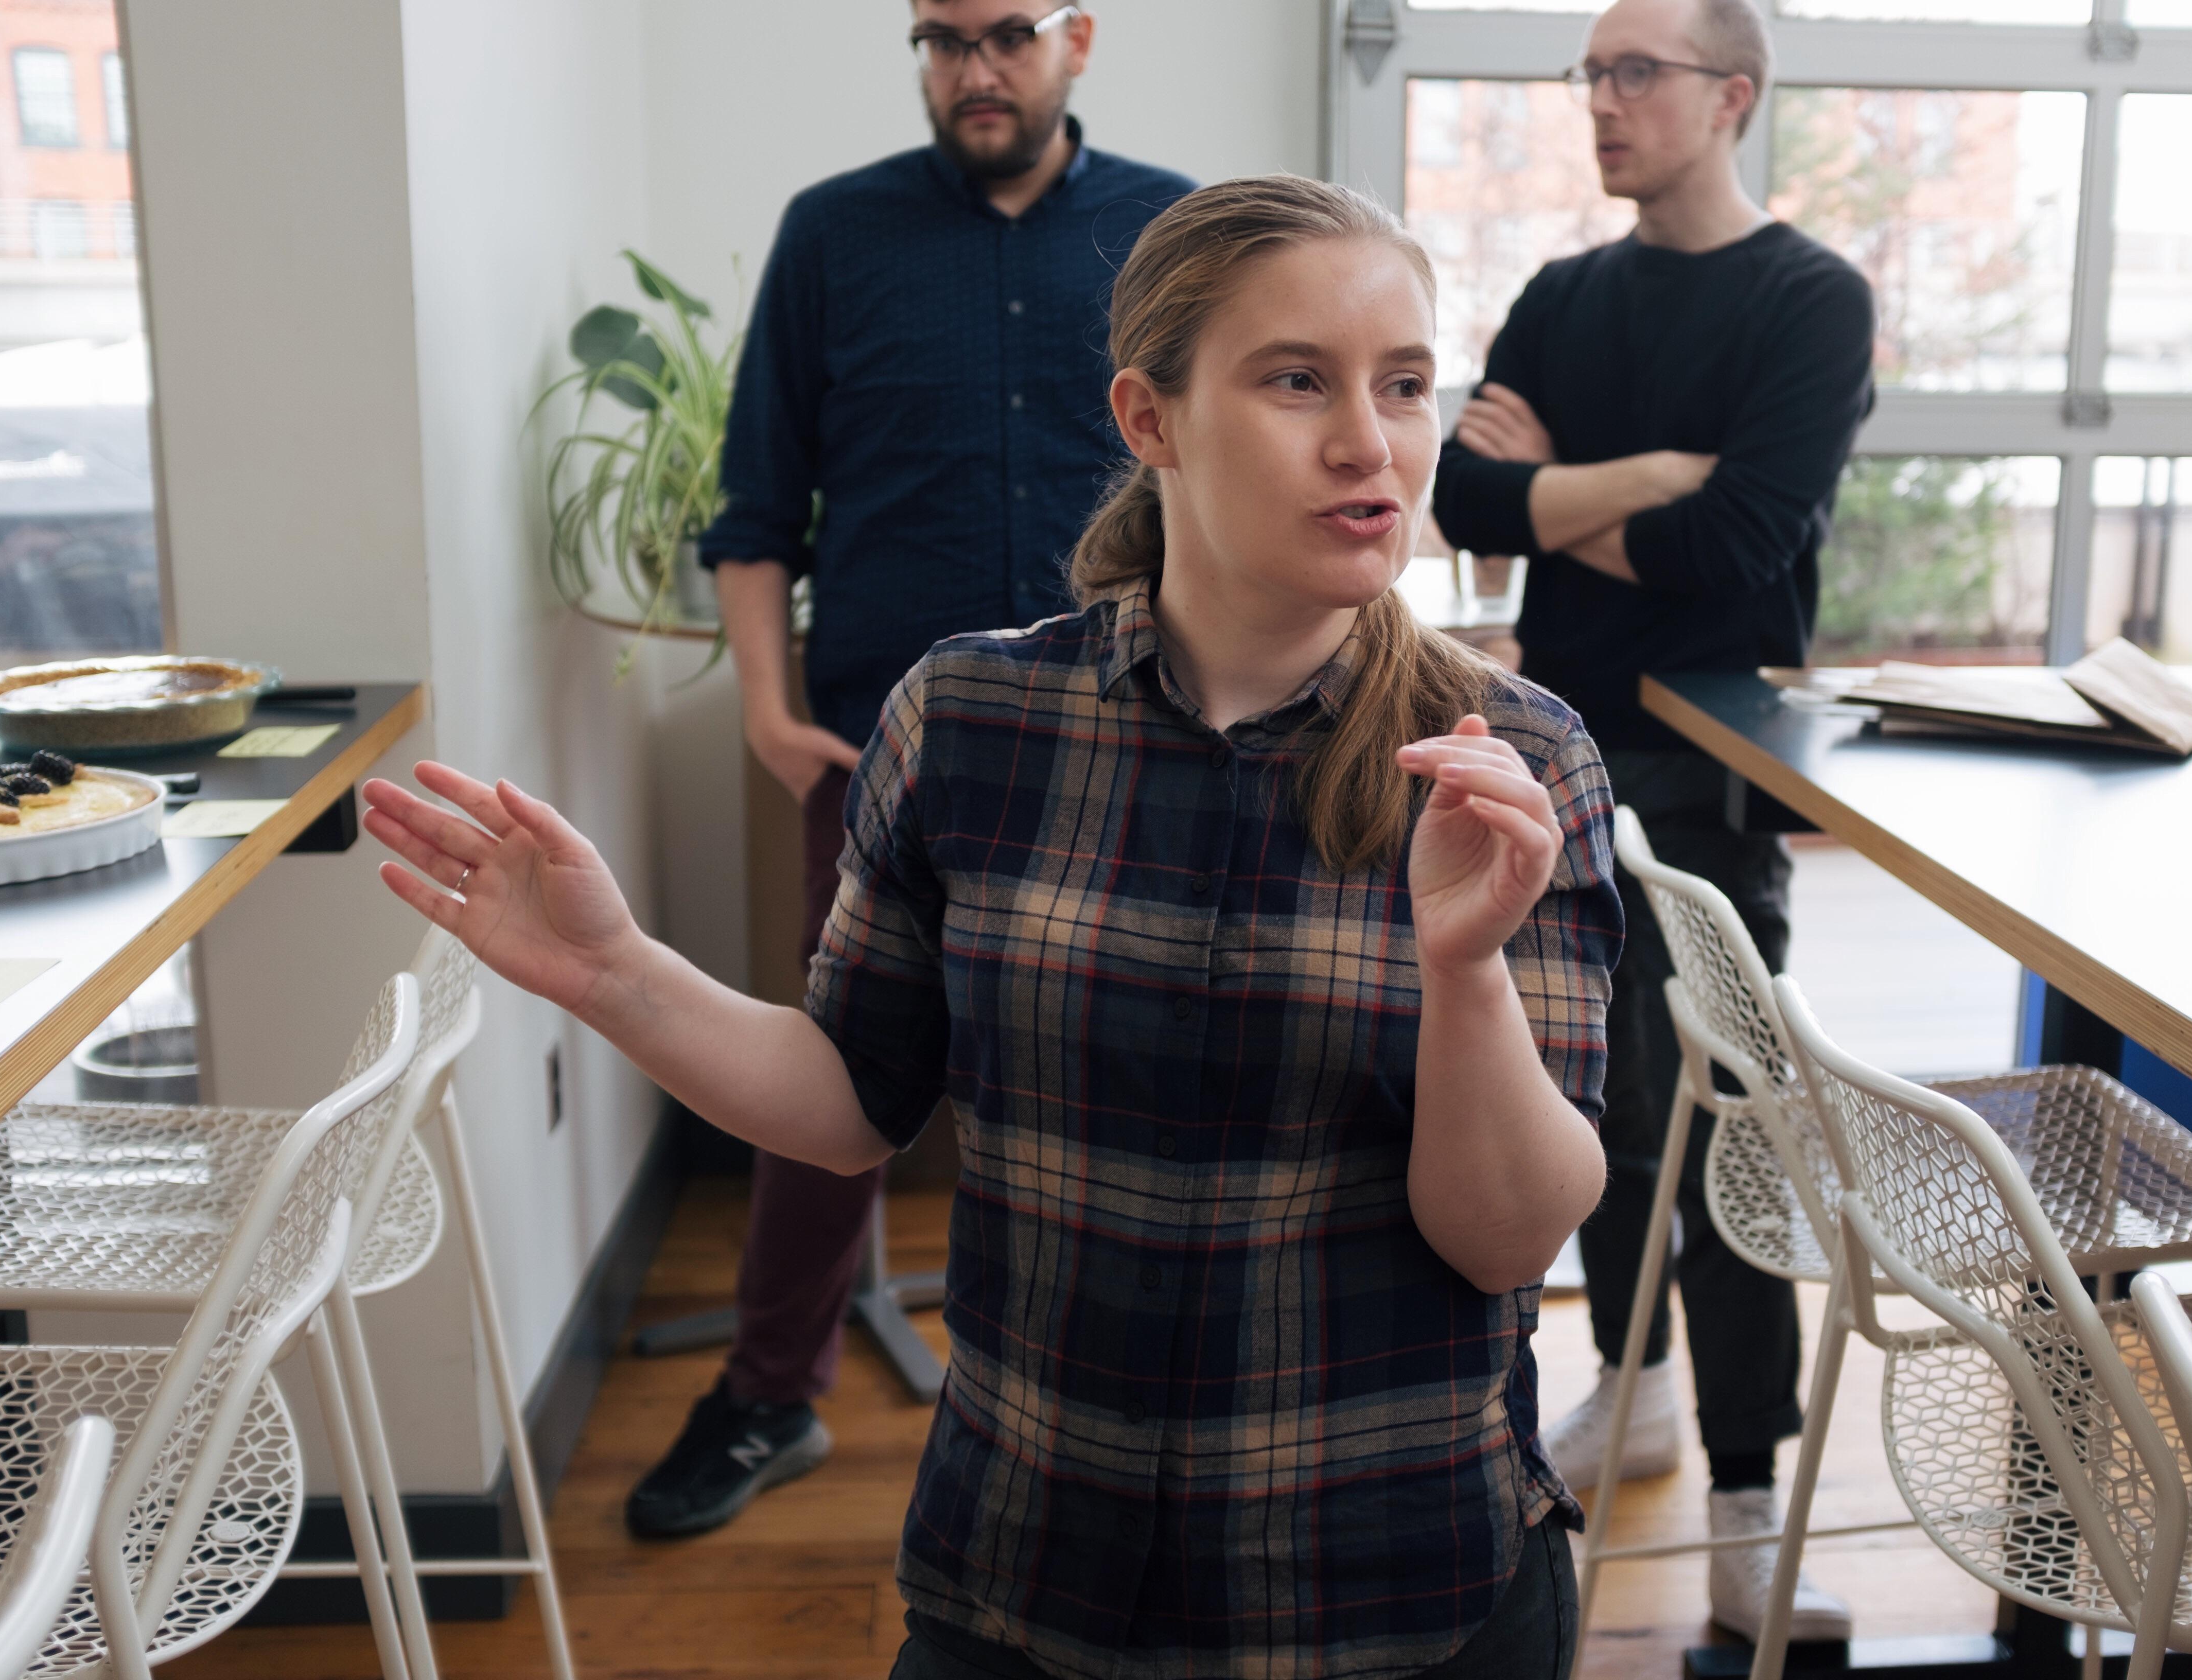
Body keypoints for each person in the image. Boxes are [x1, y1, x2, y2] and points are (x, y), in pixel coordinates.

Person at [366, 177, 1622, 1680]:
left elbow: (1508, 1236)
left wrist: (1463, 967)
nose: (1373, 442)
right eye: (1299, 380)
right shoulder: (970, 716)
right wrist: (616, 975)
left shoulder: (1510, 759)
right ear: (1149, 421)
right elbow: (848, 1111)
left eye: (1407, 385)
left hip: (1393, 1589)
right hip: (1025, 1580)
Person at [642, 0, 1193, 1538]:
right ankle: (767, 1396)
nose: (976, 68)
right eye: (942, 38)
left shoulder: (1174, 231)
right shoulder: (833, 235)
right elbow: (757, 511)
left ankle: (1129, 1414)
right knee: (834, 1080)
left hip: (1137, 742)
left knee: (1138, 1078)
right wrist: (765, 710)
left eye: (1008, 32)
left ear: (1078, 37)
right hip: (882, 750)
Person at [1429, 0, 1875, 1645]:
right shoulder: (1564, 293)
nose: (1601, 102)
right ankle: (1630, 1385)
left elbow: (1743, 551)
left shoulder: (1809, 298)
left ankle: (1753, 1498)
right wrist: (1656, 475)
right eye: (1591, 74)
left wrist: (1570, 488)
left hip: (1708, 773)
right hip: (1564, 754)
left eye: (1637, 73)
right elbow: (1463, 501)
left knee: (1733, 1124)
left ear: (1733, 95)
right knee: (1593, 1114)